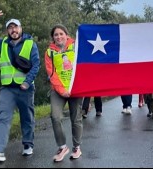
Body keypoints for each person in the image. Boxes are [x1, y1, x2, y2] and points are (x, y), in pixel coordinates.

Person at [0, 10, 40, 162]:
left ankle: (28, 144)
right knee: (3, 117)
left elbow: (36, 65)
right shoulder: (1, 44)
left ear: (21, 28)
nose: (14, 30)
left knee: (27, 118)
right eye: (10, 27)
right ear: (7, 31)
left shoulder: (30, 44)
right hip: (7, 88)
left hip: (25, 89)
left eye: (16, 27)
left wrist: (27, 82)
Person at [45, 24, 83, 162]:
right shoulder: (49, 52)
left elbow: (84, 65)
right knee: (55, 117)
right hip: (58, 89)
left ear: (67, 35)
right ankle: (62, 147)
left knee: (76, 119)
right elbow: (51, 73)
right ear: (53, 38)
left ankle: (77, 147)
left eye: (61, 34)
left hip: (76, 88)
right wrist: (62, 90)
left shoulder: (76, 46)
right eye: (56, 35)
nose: (59, 37)